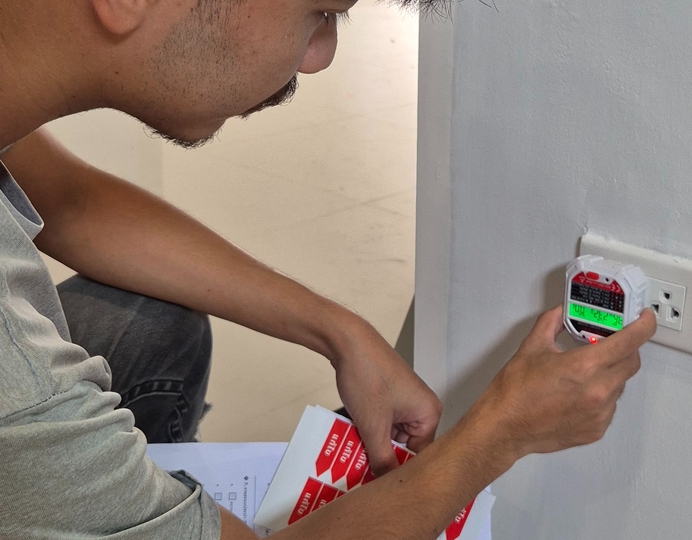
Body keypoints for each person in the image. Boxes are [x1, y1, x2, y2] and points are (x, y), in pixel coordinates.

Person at [0, 0, 658, 538]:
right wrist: (497, 437)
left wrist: (342, 332)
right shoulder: (19, 375)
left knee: (152, 324)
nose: (321, 55)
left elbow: (71, 203)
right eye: (320, 13)